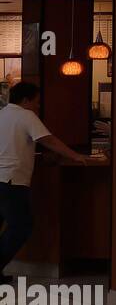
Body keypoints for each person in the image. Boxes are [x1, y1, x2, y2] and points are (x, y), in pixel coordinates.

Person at [1, 83, 92, 276]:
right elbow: (48, 139)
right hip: (12, 180)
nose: (38, 107)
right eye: (36, 102)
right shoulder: (25, 115)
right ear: (25, 100)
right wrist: (75, 155)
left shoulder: (2, 114)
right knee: (21, 227)